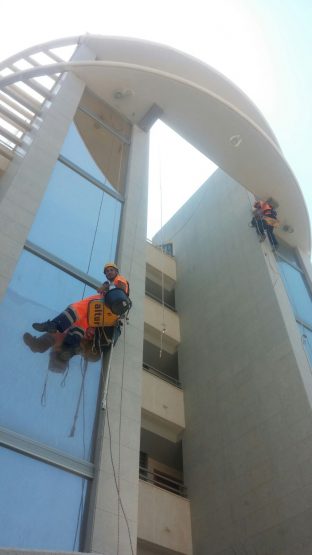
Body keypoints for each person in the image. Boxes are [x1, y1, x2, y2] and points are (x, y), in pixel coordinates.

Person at [30, 263, 130, 360]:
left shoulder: (119, 279)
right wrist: (105, 286)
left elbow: (120, 290)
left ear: (117, 271)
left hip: (109, 307)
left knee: (77, 308)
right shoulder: (110, 284)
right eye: (107, 271)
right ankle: (70, 348)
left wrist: (106, 286)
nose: (109, 272)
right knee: (82, 322)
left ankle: (53, 325)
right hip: (105, 312)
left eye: (111, 270)